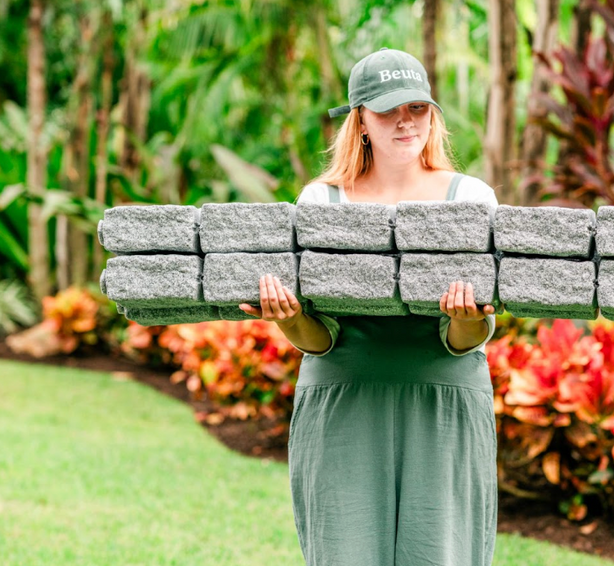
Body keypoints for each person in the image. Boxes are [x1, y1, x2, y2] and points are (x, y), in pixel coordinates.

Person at [239, 47, 499, 566]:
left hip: (443, 401)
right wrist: (289, 316)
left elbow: (470, 335)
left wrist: (469, 319)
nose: (406, 122)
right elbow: (319, 337)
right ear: (359, 121)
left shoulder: (472, 196)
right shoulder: (319, 202)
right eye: (388, 111)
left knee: (439, 554)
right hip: (343, 401)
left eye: (418, 109)